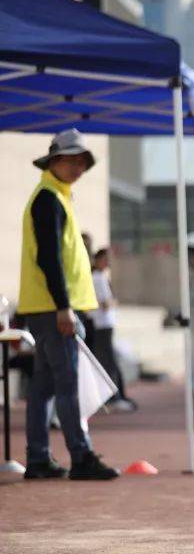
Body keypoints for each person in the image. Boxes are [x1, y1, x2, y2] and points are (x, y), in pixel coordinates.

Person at [17, 129, 119, 480]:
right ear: (53, 161)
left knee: (44, 386)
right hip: (54, 309)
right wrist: (63, 306)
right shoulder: (49, 199)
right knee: (66, 383)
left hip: (46, 308)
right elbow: (50, 259)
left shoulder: (55, 196)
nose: (77, 167)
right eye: (71, 160)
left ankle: (39, 458)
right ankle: (81, 455)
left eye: (82, 162)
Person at [88, 248, 136, 411]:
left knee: (108, 360)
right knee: (107, 361)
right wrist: (114, 302)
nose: (108, 262)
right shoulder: (98, 278)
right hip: (102, 324)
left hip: (104, 324)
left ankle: (116, 395)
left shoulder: (101, 277)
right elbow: (106, 304)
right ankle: (113, 397)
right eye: (105, 259)